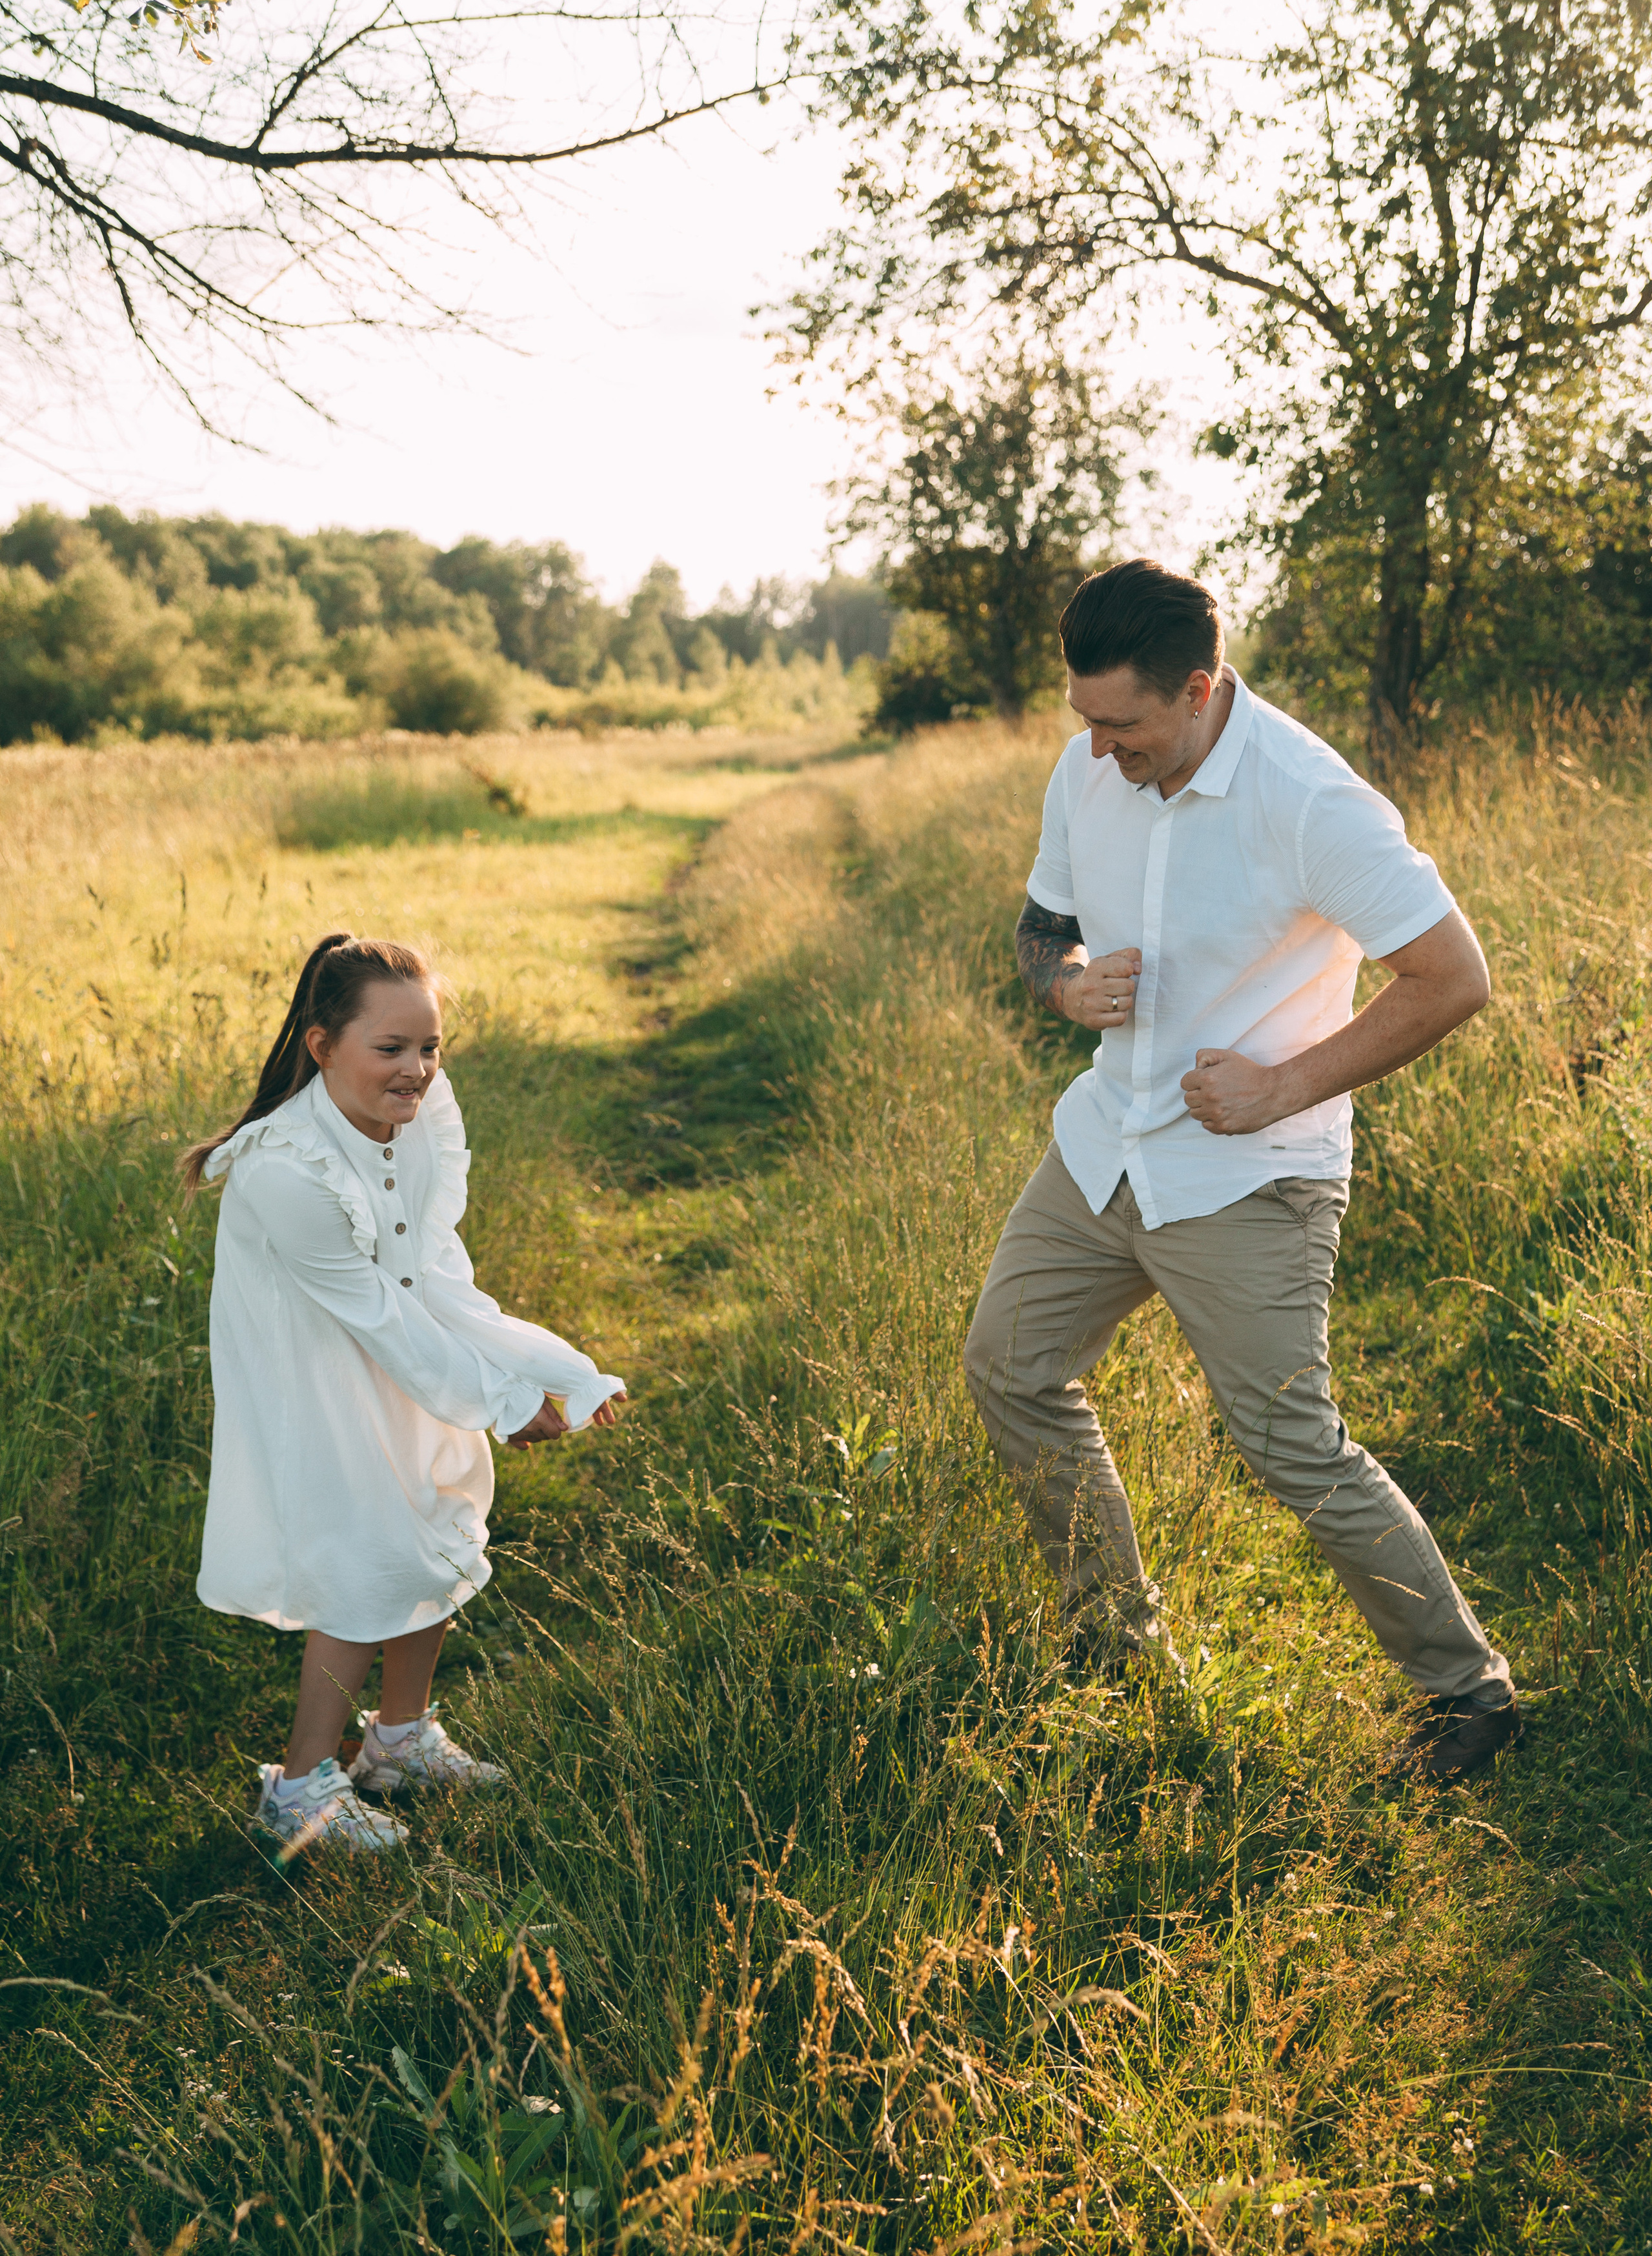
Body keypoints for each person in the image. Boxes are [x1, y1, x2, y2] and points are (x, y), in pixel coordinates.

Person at [963, 559, 1520, 1784]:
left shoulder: (1312, 801)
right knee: (1009, 1364)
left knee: (1289, 1442)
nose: (1097, 748)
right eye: (1084, 718)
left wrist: (1285, 1085)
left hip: (1248, 1175)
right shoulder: (1087, 767)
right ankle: (1116, 1651)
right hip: (1104, 1144)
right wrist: (1065, 986)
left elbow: (1453, 977)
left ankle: (1469, 1692)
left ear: (1200, 689)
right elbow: (1043, 929)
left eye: (1122, 723)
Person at [182, 933, 625, 1856]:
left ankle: (398, 1739)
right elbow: (377, 1316)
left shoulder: (414, 1116)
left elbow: (433, 1274)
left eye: (429, 1046)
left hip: (406, 1353)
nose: (417, 1070)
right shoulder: (285, 1171)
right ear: (322, 1046)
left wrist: (548, 1367)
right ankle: (299, 1790)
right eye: (391, 1048)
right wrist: (501, 1403)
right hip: (322, 1377)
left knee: (433, 1525)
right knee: (365, 1558)